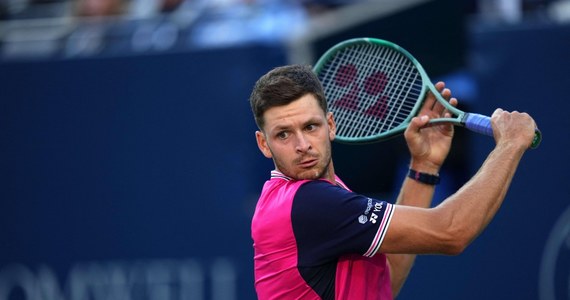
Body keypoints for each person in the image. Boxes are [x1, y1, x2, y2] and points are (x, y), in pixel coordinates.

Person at [249, 64, 537, 299]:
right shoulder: (308, 203)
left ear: (331, 125)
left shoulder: (326, 192)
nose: (302, 144)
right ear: (264, 144)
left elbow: (383, 284)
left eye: (310, 127)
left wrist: (423, 167)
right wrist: (510, 144)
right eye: (283, 134)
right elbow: (452, 233)